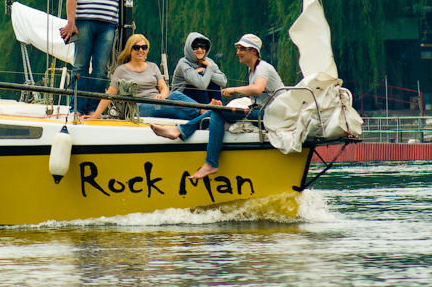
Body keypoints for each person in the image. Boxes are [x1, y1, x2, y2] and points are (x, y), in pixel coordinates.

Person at [149, 34, 284, 179]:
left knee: (218, 112)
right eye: (238, 48)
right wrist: (210, 70)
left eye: (242, 49)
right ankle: (181, 132)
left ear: (254, 51)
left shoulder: (262, 68)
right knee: (217, 111)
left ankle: (206, 158)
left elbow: (257, 88)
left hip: (270, 114)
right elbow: (203, 83)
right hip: (262, 111)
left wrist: (234, 89)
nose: (238, 52)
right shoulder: (253, 69)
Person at [59, 0, 121, 113]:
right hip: (85, 21)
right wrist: (71, 22)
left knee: (101, 67)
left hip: (108, 23)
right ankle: (77, 107)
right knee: (81, 65)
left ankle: (94, 110)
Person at [83, 34, 197, 121]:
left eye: (144, 47)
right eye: (136, 47)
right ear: (130, 50)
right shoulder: (121, 70)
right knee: (177, 107)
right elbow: (109, 94)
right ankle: (205, 113)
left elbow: (164, 87)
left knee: (179, 101)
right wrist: (95, 116)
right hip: (139, 107)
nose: (141, 50)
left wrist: (163, 95)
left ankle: (204, 115)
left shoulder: (153, 66)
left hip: (158, 102)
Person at [171, 32, 226, 104]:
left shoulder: (208, 61)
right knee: (199, 79)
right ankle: (206, 110)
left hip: (201, 96)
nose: (200, 50)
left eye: (203, 47)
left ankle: (219, 109)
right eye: (195, 47)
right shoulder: (183, 63)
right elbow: (201, 85)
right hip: (181, 98)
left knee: (214, 82)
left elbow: (223, 81)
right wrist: (208, 69)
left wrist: (205, 71)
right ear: (190, 48)